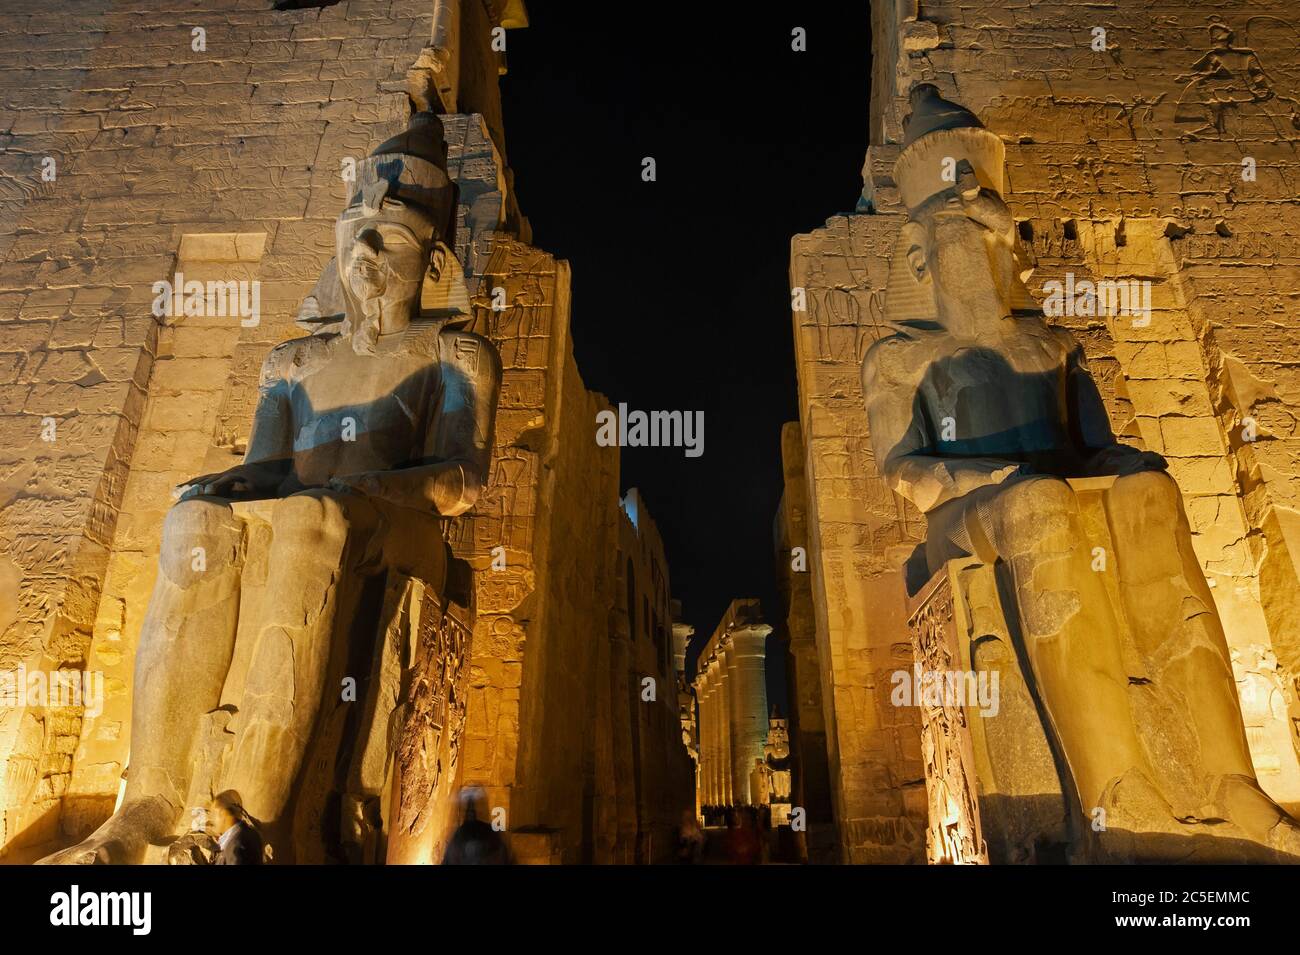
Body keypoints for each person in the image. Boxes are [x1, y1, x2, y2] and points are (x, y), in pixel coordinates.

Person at [442, 787, 513, 864]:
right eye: (469, 806)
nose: (471, 812)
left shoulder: (495, 837)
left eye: (473, 806)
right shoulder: (458, 836)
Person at [211, 791, 263, 865]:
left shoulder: (236, 845)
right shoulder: (249, 834)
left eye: (213, 815)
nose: (212, 820)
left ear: (223, 813)